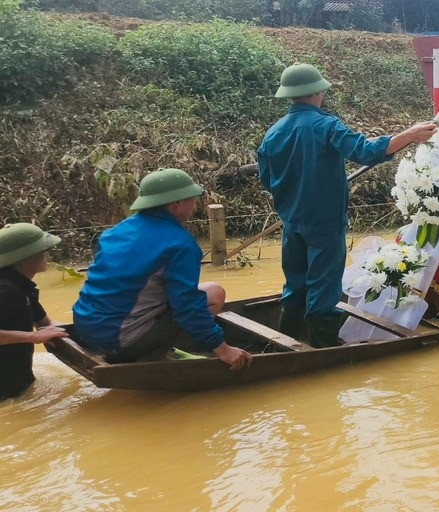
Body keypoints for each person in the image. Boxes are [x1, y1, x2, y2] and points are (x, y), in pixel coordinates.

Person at [258, 63, 437, 348]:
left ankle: (287, 339)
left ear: (290, 96)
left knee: (296, 282)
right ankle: (323, 346)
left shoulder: (274, 133)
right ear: (318, 92)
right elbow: (365, 152)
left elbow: (267, 179)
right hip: (325, 222)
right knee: (324, 285)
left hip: (292, 222)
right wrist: (410, 135)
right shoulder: (326, 126)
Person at [73, 169, 252, 369]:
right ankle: (152, 355)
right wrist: (223, 349)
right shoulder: (179, 244)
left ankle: (156, 348)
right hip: (123, 340)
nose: (195, 204)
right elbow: (187, 305)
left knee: (213, 291)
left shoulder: (117, 231)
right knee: (211, 296)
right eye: (192, 199)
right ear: (176, 204)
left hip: (85, 328)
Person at [0, 223, 67, 400]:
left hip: (16, 382)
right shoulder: (6, 290)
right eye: (43, 251)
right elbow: (38, 333)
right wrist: (33, 337)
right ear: (25, 258)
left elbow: (45, 323)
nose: (47, 255)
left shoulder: (23, 286)